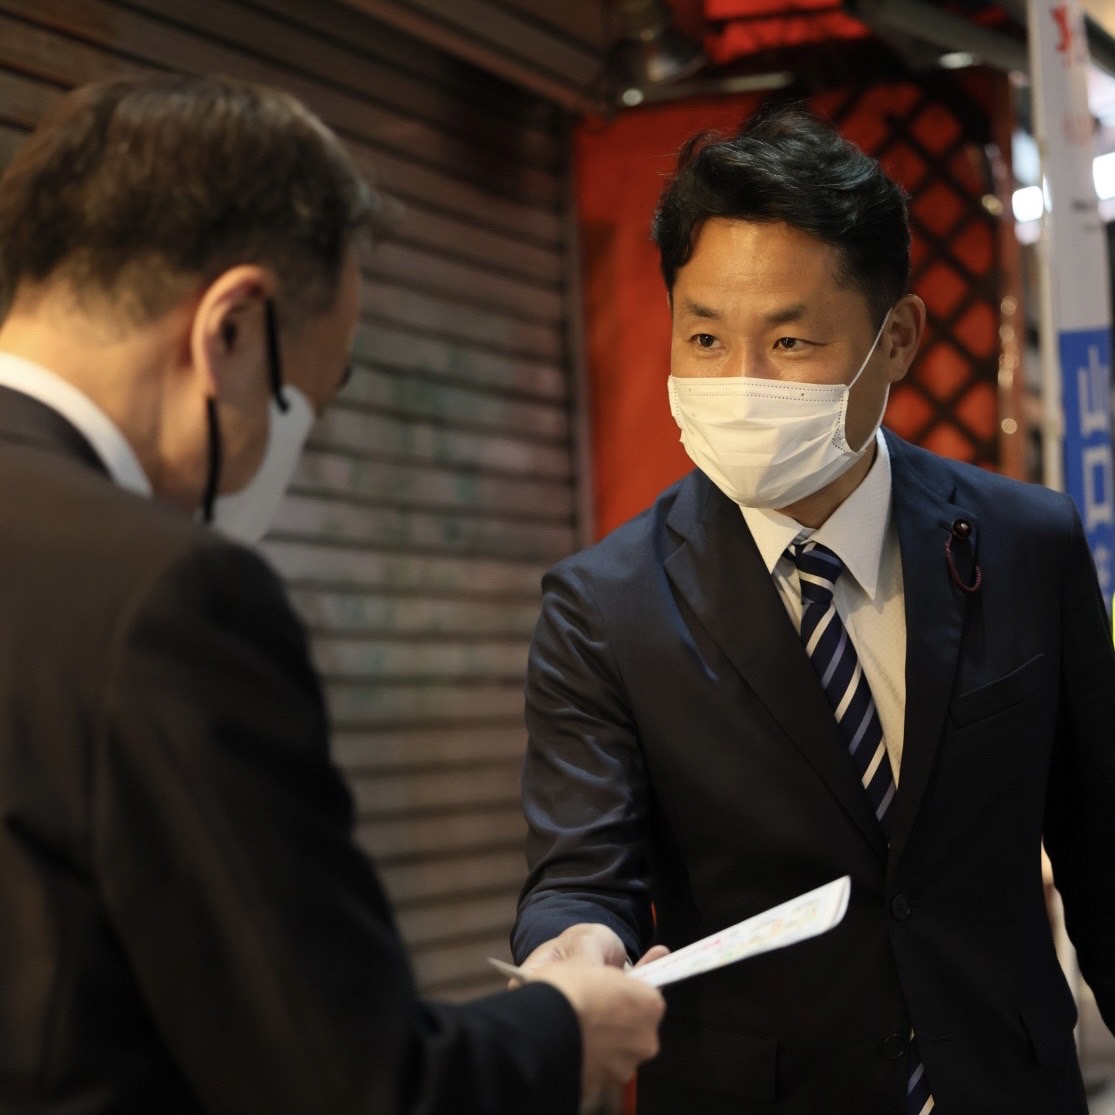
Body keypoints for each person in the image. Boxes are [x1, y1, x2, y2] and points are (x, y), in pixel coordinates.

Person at [0, 73, 664, 1115]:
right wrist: (566, 1030)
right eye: (307, 399)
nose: (290, 448)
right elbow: (351, 1081)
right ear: (231, 328)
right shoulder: (163, 593)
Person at [512, 102, 1115, 1115]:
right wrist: (573, 947)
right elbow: (580, 873)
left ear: (896, 338)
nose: (739, 383)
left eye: (789, 340)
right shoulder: (603, 606)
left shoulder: (1026, 543)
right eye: (704, 337)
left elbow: (1100, 846)